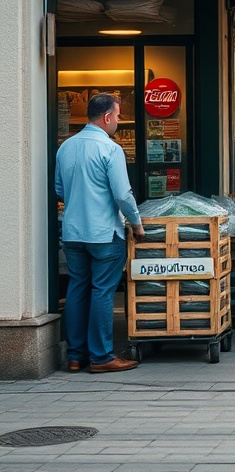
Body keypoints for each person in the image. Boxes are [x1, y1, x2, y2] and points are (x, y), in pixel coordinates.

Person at [55, 93, 145, 374]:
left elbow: (59, 189)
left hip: (72, 232)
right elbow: (123, 194)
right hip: (104, 232)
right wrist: (137, 223)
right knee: (103, 292)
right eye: (117, 116)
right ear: (106, 117)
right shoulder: (110, 149)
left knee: (77, 289)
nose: (118, 122)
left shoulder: (65, 148)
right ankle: (102, 356)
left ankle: (75, 356)